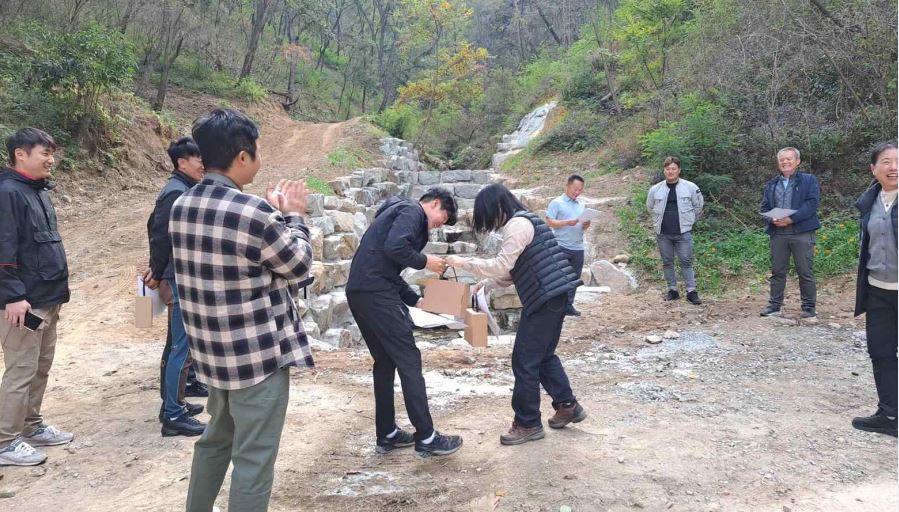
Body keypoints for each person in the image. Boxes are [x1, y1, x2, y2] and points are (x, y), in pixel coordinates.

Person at [170, 109, 315, 511]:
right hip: (256, 359)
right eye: (256, 152)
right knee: (254, 457)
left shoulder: (182, 205)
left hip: (212, 354)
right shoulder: (255, 213)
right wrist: (295, 216)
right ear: (242, 158)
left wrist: (274, 216)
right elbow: (298, 266)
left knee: (215, 440)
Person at [447, 184, 586, 446]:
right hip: (554, 295)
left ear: (498, 208)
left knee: (524, 361)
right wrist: (486, 285)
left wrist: (463, 263)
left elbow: (501, 265)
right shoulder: (527, 221)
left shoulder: (517, 225)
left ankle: (527, 423)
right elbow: (512, 272)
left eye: (489, 216)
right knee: (542, 356)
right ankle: (568, 405)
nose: (492, 224)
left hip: (544, 298)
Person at [346, 188, 464, 458]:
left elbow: (387, 267)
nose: (437, 226)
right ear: (434, 204)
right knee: (409, 359)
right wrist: (426, 261)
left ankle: (386, 433)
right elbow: (396, 247)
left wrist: (415, 300)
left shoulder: (395, 211)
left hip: (360, 291)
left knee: (386, 362)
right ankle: (427, 437)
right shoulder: (412, 210)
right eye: (441, 219)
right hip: (377, 295)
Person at [0, 128, 74, 466]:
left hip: (47, 297)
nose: (51, 159)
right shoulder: (8, 193)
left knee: (40, 367)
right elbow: (4, 248)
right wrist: (13, 295)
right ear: (20, 154)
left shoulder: (38, 191)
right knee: (20, 371)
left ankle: (30, 425)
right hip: (23, 303)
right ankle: (4, 441)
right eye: (44, 152)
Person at [143, 137, 206, 437]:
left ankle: (174, 401)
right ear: (182, 162)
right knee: (181, 346)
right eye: (197, 159)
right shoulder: (175, 193)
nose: (202, 164)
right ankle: (172, 414)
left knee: (177, 344)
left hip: (178, 276)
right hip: (178, 278)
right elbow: (158, 233)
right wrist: (157, 270)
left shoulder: (182, 189)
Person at [851, 141, 898, 437]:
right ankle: (890, 414)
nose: (893, 167)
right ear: (873, 168)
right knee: (880, 352)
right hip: (878, 289)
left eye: (897, 161)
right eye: (886, 161)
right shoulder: (870, 201)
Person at [759, 147, 820, 319]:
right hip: (778, 234)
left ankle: (808, 307)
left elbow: (812, 203)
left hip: (802, 232)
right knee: (777, 271)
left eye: (789, 159)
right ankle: (775, 306)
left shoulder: (809, 180)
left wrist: (791, 219)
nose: (785, 162)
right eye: (782, 160)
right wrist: (772, 219)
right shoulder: (772, 184)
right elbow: (764, 208)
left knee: (805, 270)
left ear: (797, 161)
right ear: (778, 163)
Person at [645, 156, 704, 305]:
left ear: (679, 170)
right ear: (664, 171)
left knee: (686, 261)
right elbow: (650, 207)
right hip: (663, 233)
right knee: (667, 262)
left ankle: (691, 291)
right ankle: (672, 290)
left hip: (683, 233)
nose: (670, 172)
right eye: (668, 169)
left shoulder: (690, 187)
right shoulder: (655, 189)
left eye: (673, 169)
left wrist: (689, 221)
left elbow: (698, 206)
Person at [545, 175, 590, 316]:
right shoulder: (556, 203)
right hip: (561, 246)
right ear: (568, 186)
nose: (577, 192)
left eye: (580, 190)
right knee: (559, 278)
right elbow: (549, 222)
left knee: (574, 279)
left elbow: (583, 228)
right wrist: (566, 222)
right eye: (575, 189)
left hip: (578, 247)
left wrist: (586, 224)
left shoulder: (581, 204)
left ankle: (568, 305)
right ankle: (555, 306)